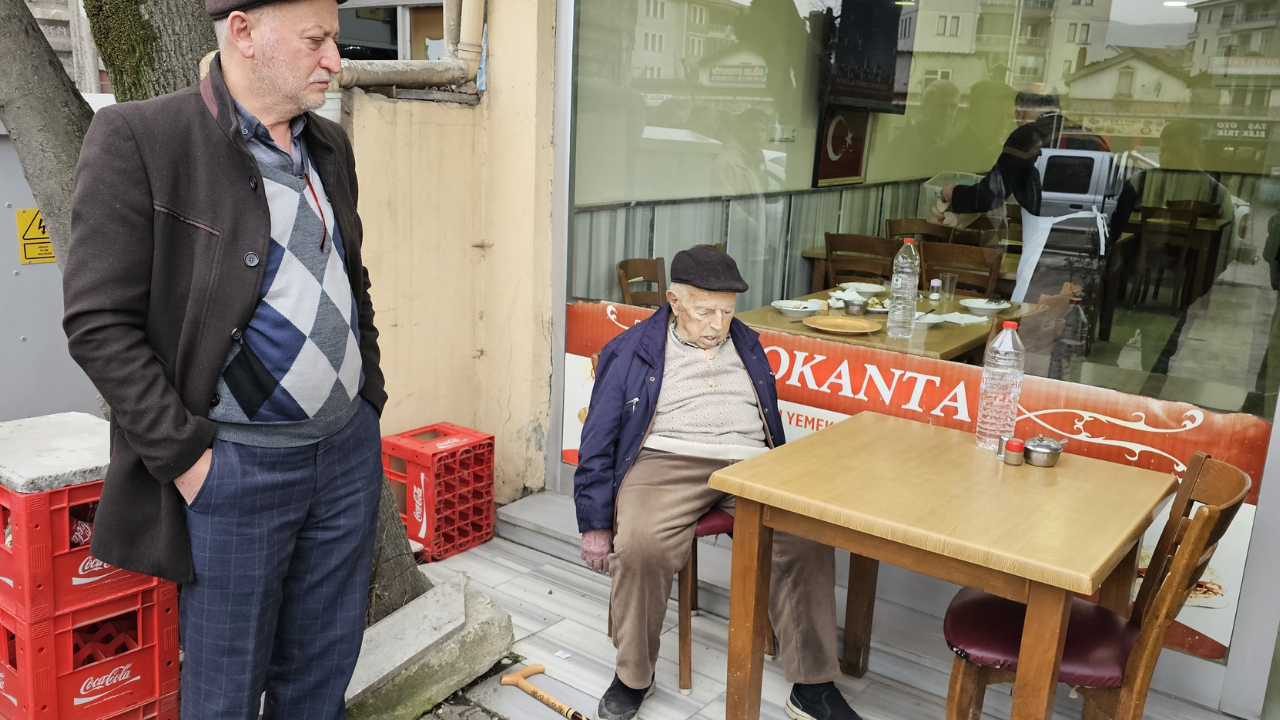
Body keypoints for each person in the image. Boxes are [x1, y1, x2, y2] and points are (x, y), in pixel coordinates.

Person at [62, 0, 386, 717]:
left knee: (323, 670)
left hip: (346, 457)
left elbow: (350, 277)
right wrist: (189, 462)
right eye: (317, 39)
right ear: (243, 32)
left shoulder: (328, 144)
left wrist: (371, 403)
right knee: (224, 690)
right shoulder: (143, 140)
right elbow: (97, 324)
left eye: (333, 39)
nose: (335, 59)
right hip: (237, 470)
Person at [575, 247, 860, 720]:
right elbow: (598, 439)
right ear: (674, 300)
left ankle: (812, 686)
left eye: (727, 311)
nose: (717, 324)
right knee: (642, 543)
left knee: (804, 537)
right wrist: (594, 523)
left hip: (750, 461)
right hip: (667, 459)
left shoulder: (746, 342)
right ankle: (632, 676)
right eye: (705, 311)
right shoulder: (632, 350)